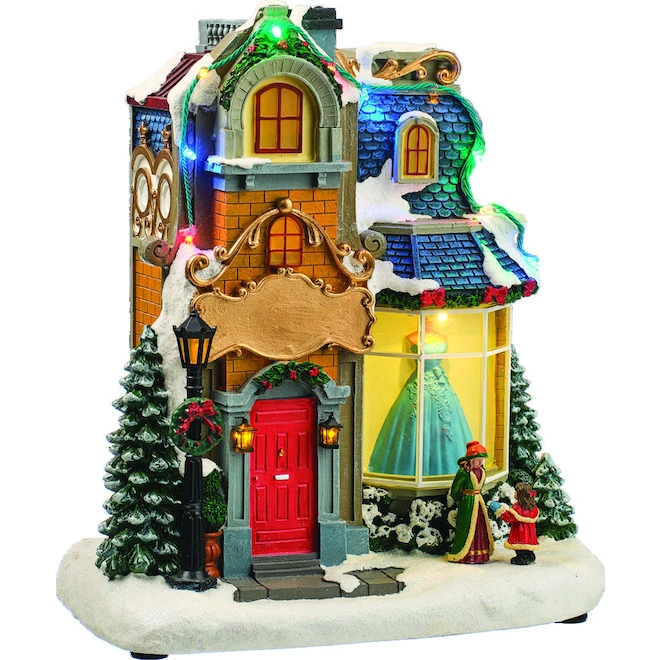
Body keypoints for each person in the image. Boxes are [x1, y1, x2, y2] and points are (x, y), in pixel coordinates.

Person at [447, 441, 494, 563]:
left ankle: (480, 553)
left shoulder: (482, 471)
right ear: (471, 460)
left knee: (479, 526)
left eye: (481, 460)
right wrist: (462, 499)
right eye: (478, 460)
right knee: (466, 527)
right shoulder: (464, 472)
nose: (480, 463)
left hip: (478, 502)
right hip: (467, 503)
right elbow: (455, 489)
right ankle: (465, 553)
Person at [489, 482, 540, 565]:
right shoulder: (532, 508)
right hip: (529, 534)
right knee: (527, 547)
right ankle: (530, 556)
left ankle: (522, 558)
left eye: (516, 492)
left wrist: (499, 509)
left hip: (520, 533)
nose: (514, 493)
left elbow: (509, 517)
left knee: (520, 547)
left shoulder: (518, 508)